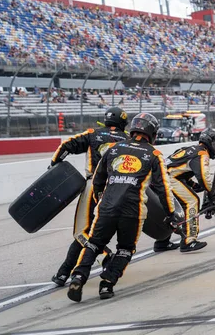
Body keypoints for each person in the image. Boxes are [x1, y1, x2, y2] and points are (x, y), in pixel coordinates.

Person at [67, 113, 179, 301]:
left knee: (94, 243)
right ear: (152, 133)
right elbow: (163, 189)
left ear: (133, 128)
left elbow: (97, 179)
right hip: (133, 212)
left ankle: (78, 277)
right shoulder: (154, 154)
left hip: (107, 208)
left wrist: (100, 200)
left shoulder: (113, 149)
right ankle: (107, 285)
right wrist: (171, 213)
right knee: (125, 249)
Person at [49, 107, 129, 287]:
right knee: (92, 231)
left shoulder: (93, 133)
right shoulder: (128, 139)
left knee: (81, 232)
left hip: (95, 185)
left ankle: (104, 256)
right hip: (121, 188)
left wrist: (54, 165)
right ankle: (63, 273)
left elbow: (66, 146)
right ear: (123, 123)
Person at [153, 128, 215, 253]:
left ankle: (162, 242)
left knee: (171, 209)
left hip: (159, 178)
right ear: (212, 143)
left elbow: (177, 170)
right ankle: (189, 241)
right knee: (191, 201)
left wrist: (193, 185)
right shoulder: (201, 154)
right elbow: (205, 179)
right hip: (167, 178)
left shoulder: (188, 149)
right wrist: (212, 194)